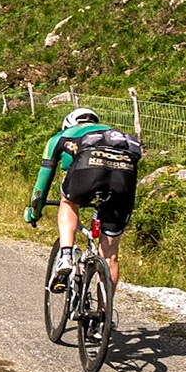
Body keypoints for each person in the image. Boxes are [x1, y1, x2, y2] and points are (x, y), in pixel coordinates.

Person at [24, 107, 142, 288]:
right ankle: (105, 313)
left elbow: (43, 182)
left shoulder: (61, 137)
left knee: (68, 201)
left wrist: (34, 211)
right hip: (124, 178)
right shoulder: (114, 135)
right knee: (110, 254)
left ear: (68, 124)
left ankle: (65, 256)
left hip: (88, 170)